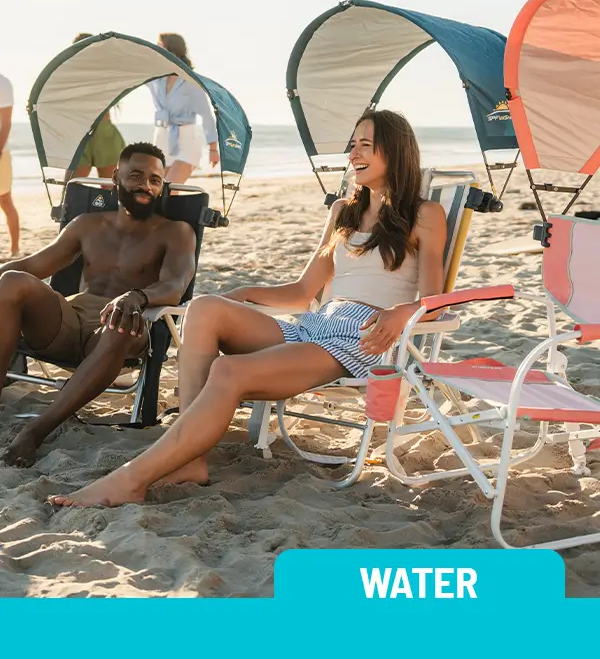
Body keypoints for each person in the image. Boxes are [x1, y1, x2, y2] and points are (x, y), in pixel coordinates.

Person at [48, 109, 447, 508]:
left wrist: (400, 313)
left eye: (365, 145)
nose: (353, 154)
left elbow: (433, 302)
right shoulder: (344, 211)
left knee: (227, 369)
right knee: (205, 307)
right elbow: (302, 291)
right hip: (317, 323)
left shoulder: (424, 214)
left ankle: (132, 479)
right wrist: (241, 294)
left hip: (364, 336)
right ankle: (191, 458)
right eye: (352, 145)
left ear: (394, 151)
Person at [0, 142, 196, 468]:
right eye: (136, 176)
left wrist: (136, 296)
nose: (146, 186)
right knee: (10, 283)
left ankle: (36, 431)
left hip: (126, 323)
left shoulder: (176, 232)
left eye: (155, 180)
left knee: (121, 322)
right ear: (116, 176)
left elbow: (175, 286)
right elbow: (32, 267)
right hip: (70, 319)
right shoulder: (87, 225)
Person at [149, 33, 220, 185]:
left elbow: (207, 115)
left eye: (160, 47)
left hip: (186, 140)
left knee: (170, 190)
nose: (156, 50)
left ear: (172, 51)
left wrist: (213, 149)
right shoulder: (155, 78)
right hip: (161, 139)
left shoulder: (190, 81)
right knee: (160, 193)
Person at [69, 33, 126, 180]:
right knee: (70, 189)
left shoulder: (104, 72)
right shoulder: (70, 74)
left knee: (109, 192)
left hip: (104, 134)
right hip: (81, 134)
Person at [0, 73, 20, 258]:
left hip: (0, 153)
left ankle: (14, 250)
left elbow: (6, 122)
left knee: (5, 200)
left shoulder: (3, 83)